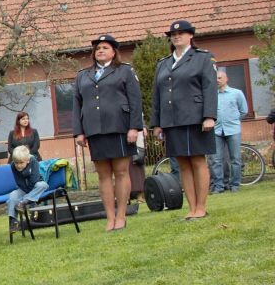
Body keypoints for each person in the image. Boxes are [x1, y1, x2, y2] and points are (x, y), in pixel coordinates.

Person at [73, 34, 144, 231]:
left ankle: (121, 215)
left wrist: (134, 127)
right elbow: (77, 104)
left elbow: (135, 100)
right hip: (94, 130)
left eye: (105, 47)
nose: (100, 51)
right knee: (103, 175)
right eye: (97, 48)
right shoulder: (83, 75)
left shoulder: (125, 71)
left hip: (119, 127)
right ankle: (110, 217)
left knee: (121, 172)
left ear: (114, 52)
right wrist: (79, 132)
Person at [150, 19, 218, 220]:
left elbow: (210, 88)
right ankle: (192, 208)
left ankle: (201, 207)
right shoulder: (163, 63)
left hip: (196, 117)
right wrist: (157, 123)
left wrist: (209, 116)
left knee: (197, 160)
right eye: (173, 34)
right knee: (182, 164)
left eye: (181, 33)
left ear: (191, 35)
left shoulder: (203, 58)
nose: (176, 36)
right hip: (172, 120)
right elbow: (157, 95)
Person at [206, 68, 249, 193]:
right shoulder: (211, 95)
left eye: (220, 78)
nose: (217, 80)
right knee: (216, 160)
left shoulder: (237, 93)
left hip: (233, 130)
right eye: (216, 78)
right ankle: (218, 186)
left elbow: (244, 111)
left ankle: (235, 185)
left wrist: (233, 120)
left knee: (235, 159)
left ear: (226, 79)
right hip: (216, 130)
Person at [5, 145, 49, 233]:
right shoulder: (13, 165)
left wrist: (25, 172)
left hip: (35, 186)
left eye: (21, 163)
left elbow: (34, 180)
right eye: (16, 163)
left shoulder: (33, 161)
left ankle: (23, 203)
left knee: (43, 185)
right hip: (24, 189)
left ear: (27, 160)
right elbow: (19, 182)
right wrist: (27, 193)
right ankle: (13, 221)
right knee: (13, 195)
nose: (18, 165)